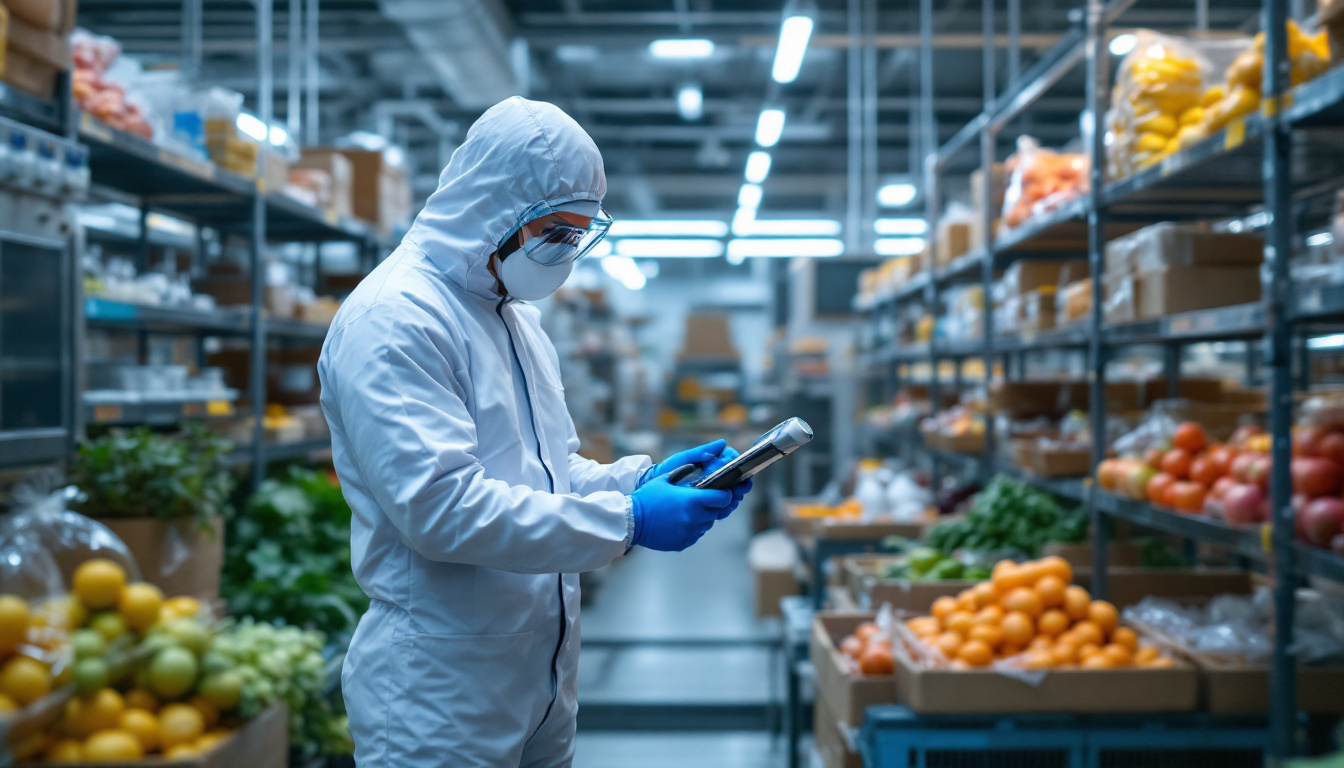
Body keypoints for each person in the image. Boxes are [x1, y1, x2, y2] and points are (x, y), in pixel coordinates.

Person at [317, 96, 754, 768]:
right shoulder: (396, 318)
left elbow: (548, 472)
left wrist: (636, 479)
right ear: (493, 209)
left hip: (541, 677)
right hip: (442, 692)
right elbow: (441, 510)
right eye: (556, 231)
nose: (567, 251)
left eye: (579, 233)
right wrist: (629, 523)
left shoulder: (516, 321)